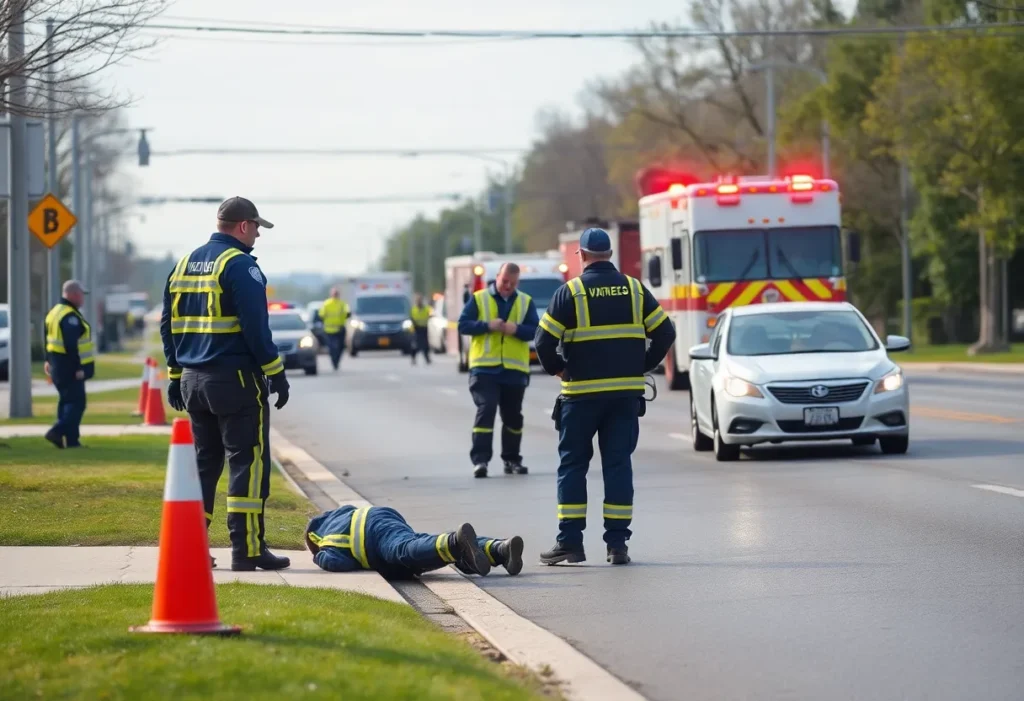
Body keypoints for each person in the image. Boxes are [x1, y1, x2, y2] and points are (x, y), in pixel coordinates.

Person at [161, 196, 291, 572]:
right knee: (247, 461)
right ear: (243, 226)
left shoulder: (183, 264)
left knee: (205, 464)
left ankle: (192, 546)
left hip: (192, 381)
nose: (257, 237)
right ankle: (247, 549)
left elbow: (168, 326)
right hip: (234, 380)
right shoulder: (239, 266)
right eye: (256, 229)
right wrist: (275, 372)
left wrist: (174, 374)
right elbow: (256, 328)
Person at [534, 228, 675, 566]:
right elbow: (665, 332)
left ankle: (570, 543)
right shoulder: (633, 289)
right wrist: (641, 364)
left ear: (581, 255)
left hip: (580, 398)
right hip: (623, 397)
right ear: (610, 254)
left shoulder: (571, 292)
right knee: (617, 467)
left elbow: (542, 341)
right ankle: (617, 545)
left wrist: (560, 370)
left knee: (573, 467)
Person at [457, 262, 539, 478]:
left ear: (517, 282)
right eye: (504, 281)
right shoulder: (479, 298)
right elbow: (463, 325)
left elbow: (535, 331)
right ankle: (480, 461)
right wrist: (486, 325)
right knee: (487, 409)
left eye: (512, 283)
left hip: (514, 370)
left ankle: (512, 459)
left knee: (513, 417)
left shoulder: (525, 301)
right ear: (497, 278)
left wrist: (517, 329)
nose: (507, 286)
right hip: (484, 369)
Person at [305, 504, 524, 579]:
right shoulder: (334, 518)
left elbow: (338, 563)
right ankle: (498, 549)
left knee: (403, 550)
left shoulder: (326, 543)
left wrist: (318, 557)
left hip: (373, 536)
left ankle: (455, 544)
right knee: (421, 544)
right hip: (381, 518)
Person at [43, 280, 94, 449]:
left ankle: (72, 441)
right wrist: (78, 368)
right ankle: (57, 431)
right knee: (77, 403)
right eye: (81, 295)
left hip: (58, 365)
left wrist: (47, 360)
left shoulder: (54, 312)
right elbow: (71, 345)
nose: (82, 299)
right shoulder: (69, 316)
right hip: (69, 367)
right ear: (73, 295)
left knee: (66, 402)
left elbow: (47, 339)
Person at [320, 287, 350, 371]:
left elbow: (347, 313)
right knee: (333, 348)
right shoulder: (327, 304)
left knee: (340, 347)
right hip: (330, 330)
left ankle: (335, 361)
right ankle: (334, 362)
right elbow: (321, 315)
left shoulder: (342, 304)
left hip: (339, 329)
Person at [409, 293, 432, 365]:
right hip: (416, 329)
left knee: (425, 345)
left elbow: (429, 315)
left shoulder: (426, 309)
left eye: (420, 300)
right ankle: (413, 359)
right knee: (415, 345)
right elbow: (411, 318)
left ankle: (427, 359)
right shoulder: (413, 309)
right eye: (418, 300)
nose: (419, 301)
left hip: (424, 328)